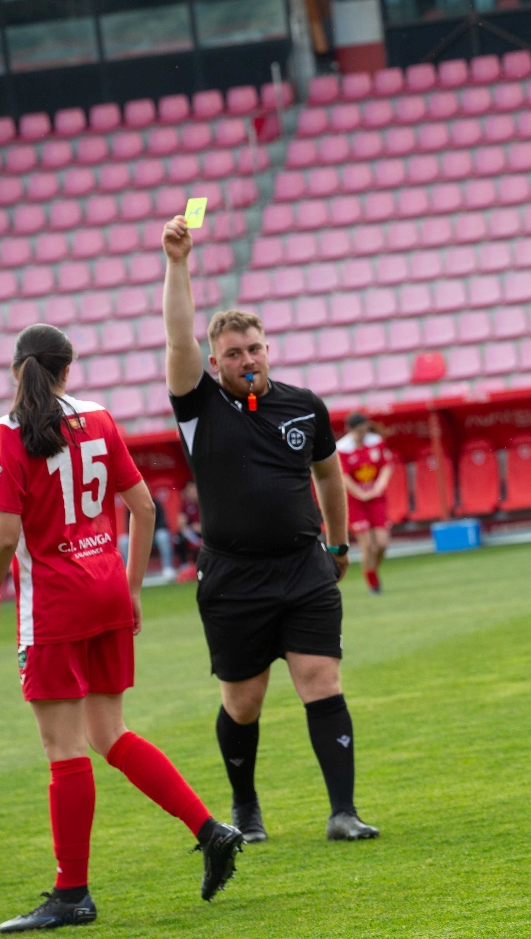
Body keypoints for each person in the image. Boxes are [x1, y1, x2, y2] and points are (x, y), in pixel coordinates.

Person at [0, 324, 242, 934]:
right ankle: (210, 830)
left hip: (54, 605)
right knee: (109, 733)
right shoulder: (97, 417)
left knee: (64, 748)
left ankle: (72, 893)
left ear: (17, 369)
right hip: (105, 590)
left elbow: (6, 536)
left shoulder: (10, 430)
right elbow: (143, 507)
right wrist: (132, 588)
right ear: (67, 369)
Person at [161, 214, 378, 844]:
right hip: (232, 576)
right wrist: (178, 263)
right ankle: (246, 807)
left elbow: (330, 476)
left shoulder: (304, 405)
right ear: (215, 362)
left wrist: (338, 542)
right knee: (243, 703)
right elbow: (177, 339)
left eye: (254, 348)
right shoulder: (198, 405)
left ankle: (343, 812)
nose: (247, 359)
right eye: (233, 353)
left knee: (322, 682)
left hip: (304, 566)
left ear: (267, 348)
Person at [337, 412, 394, 594]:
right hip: (355, 502)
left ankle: (372, 568)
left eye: (364, 430)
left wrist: (379, 486)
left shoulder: (375, 442)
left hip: (376, 498)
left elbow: (386, 466)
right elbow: (344, 477)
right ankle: (372, 582)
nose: (362, 434)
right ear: (350, 430)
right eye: (359, 431)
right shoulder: (342, 448)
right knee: (367, 545)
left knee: (382, 543)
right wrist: (360, 493)